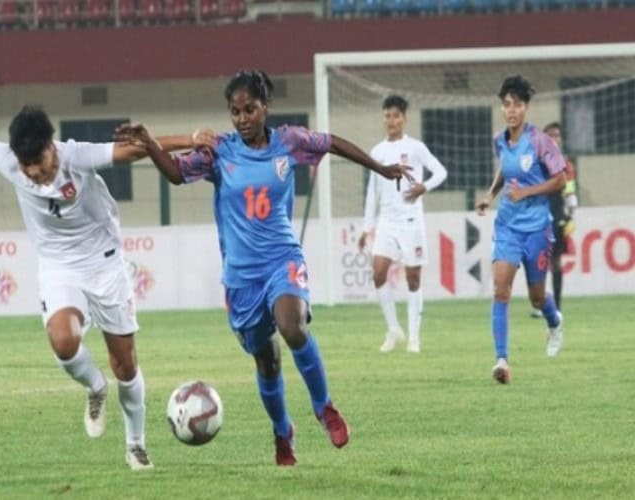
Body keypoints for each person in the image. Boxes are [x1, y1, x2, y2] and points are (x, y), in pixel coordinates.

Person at [115, 70, 412, 466]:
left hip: (281, 259)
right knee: (267, 361)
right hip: (242, 279)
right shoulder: (219, 151)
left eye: (250, 110)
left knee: (292, 326)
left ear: (265, 107)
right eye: (235, 111)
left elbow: (333, 143)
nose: (242, 118)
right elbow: (175, 174)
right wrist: (150, 142)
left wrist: (380, 168)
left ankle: (324, 407)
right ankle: (282, 431)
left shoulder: (289, 141)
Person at [0, 105, 214, 470]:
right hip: (59, 268)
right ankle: (95, 386)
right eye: (27, 166)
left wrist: (191, 139)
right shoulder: (11, 160)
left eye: (39, 162)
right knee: (63, 340)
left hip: (105, 264)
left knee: (125, 365)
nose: (34, 173)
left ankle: (135, 444)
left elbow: (135, 149)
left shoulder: (77, 156)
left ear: (51, 147)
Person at [476, 76, 567, 385]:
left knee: (537, 298)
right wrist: (490, 195)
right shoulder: (499, 140)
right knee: (500, 290)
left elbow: (561, 179)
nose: (511, 110)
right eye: (506, 105)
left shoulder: (540, 141)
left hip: (537, 229)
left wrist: (527, 192)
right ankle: (501, 360)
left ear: (526, 107)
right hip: (507, 227)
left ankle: (554, 322)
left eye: (517, 105)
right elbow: (505, 168)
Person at [357, 95, 448, 354]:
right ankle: (394, 329)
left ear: (404, 119)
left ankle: (414, 338)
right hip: (387, 221)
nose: (391, 120)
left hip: (411, 220)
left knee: (413, 278)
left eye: (396, 116)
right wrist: (367, 227)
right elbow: (372, 192)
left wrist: (423, 187)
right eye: (387, 116)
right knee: (378, 273)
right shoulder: (377, 152)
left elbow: (441, 172)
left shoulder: (416, 147)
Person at [529, 121, 577, 317]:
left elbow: (570, 191)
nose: (554, 139)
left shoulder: (566, 165)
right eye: (550, 135)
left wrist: (571, 215)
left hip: (557, 215)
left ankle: (556, 306)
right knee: (536, 259)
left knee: (555, 260)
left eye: (557, 135)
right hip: (538, 214)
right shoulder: (536, 163)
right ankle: (540, 303)